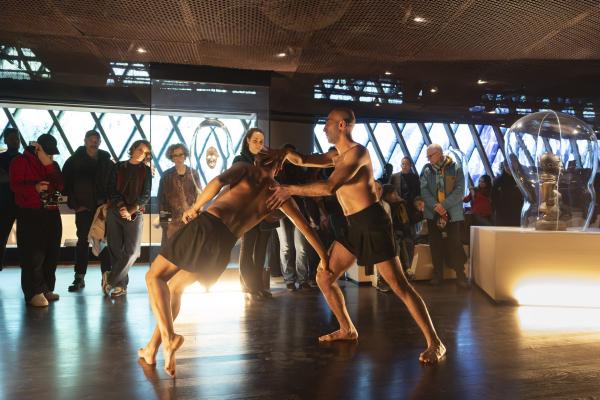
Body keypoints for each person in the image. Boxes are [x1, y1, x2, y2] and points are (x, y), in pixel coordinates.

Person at [266, 107, 446, 364]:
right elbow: (303, 159)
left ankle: (435, 343)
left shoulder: (358, 153)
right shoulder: (336, 155)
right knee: (325, 277)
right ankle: (347, 329)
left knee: (399, 286)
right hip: (353, 225)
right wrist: (283, 153)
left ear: (342, 125)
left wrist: (289, 189)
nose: (324, 127)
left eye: (328, 122)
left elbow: (330, 187)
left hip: (372, 223)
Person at [138, 153, 328, 377]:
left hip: (207, 226)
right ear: (278, 169)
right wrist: (324, 258)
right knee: (175, 288)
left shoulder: (246, 169)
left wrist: (195, 207)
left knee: (153, 276)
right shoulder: (280, 194)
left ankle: (169, 338)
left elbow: (218, 181)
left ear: (258, 162)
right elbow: (305, 227)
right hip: (223, 244)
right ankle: (151, 349)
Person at [9, 134, 63, 307]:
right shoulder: (20, 161)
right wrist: (35, 188)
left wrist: (48, 165)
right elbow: (15, 186)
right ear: (38, 148)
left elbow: (61, 185)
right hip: (30, 212)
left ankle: (47, 288)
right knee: (32, 255)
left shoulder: (52, 164)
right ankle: (33, 292)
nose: (51, 156)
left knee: (52, 252)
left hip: (52, 211)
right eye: (48, 152)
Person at [62, 130, 113, 291]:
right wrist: (76, 205)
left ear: (100, 142)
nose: (94, 143)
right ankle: (80, 277)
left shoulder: (106, 162)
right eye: (91, 140)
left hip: (101, 208)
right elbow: (66, 185)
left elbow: (113, 183)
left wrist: (109, 203)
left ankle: (106, 277)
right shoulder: (74, 161)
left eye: (96, 140)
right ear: (85, 141)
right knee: (83, 241)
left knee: (102, 240)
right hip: (84, 207)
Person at [232, 127, 278, 299]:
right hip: (248, 212)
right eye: (255, 141)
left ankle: (260, 286)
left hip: (265, 212)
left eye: (261, 141)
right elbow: (238, 186)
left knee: (261, 253)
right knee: (247, 250)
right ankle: (251, 287)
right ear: (247, 141)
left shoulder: (265, 160)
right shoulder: (239, 160)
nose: (258, 144)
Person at [104, 140, 152, 298]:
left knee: (133, 252)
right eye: (140, 149)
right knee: (115, 249)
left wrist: (131, 210)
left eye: (145, 152)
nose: (142, 154)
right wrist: (121, 206)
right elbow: (111, 189)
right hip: (115, 211)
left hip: (135, 213)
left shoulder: (146, 170)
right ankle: (120, 286)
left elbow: (146, 194)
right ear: (133, 149)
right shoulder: (118, 167)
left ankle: (110, 279)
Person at [420, 144, 468, 287]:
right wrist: (436, 205)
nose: (428, 159)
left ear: (439, 154)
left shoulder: (455, 168)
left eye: (430, 155)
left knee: (455, 243)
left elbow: (460, 190)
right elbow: (423, 190)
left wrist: (444, 205)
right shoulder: (426, 170)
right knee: (435, 245)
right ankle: (437, 275)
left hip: (452, 213)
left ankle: (461, 275)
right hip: (433, 213)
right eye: (427, 156)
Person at [157, 143, 201, 247]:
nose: (178, 158)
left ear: (185, 155)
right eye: (175, 155)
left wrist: (197, 215)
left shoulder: (193, 173)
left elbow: (199, 195)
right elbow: (161, 200)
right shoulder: (166, 175)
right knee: (170, 249)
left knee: (189, 248)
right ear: (171, 157)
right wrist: (165, 224)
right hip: (172, 221)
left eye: (181, 154)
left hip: (190, 218)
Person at [0, 128, 21, 270]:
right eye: (13, 138)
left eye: (17, 138)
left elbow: (4, 178)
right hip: (8, 203)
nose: (16, 141)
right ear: (6, 140)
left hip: (13, 202)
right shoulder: (24, 159)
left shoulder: (23, 158)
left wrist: (8, 178)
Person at [492, 162, 523, 226]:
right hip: (502, 212)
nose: (509, 168)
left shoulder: (519, 179)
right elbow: (493, 196)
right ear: (504, 167)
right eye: (507, 166)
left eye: (510, 166)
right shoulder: (499, 180)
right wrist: (498, 208)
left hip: (516, 211)